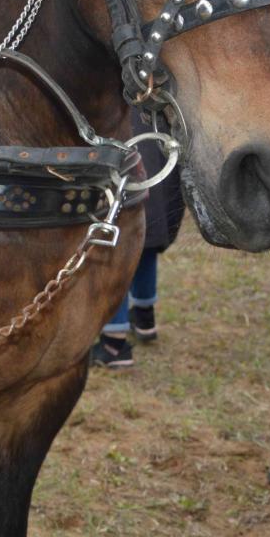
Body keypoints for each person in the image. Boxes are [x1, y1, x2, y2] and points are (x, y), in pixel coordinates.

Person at [92, 125, 186, 368]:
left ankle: (114, 343)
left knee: (117, 242)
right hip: (156, 152)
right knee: (146, 237)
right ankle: (144, 318)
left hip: (126, 153)